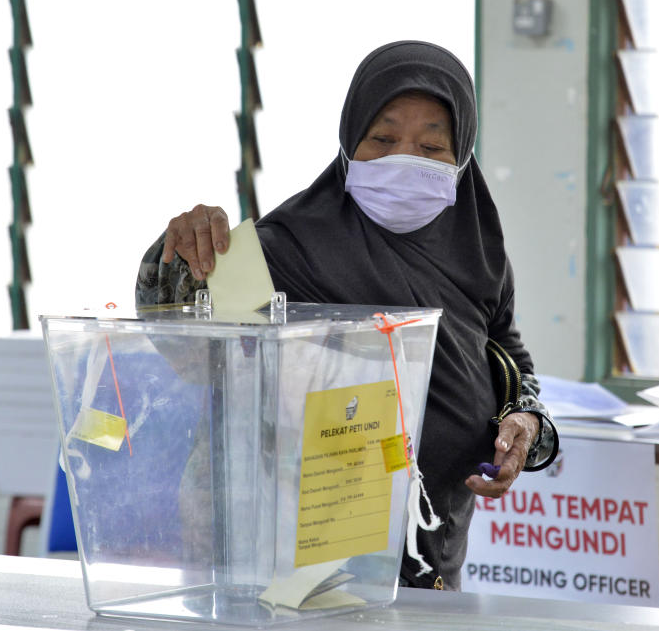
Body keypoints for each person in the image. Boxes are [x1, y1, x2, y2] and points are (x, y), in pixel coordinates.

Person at [136, 40, 557, 591]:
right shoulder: (284, 249)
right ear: (348, 141)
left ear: (463, 156)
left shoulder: (479, 253)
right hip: (281, 572)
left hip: (425, 562)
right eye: (381, 139)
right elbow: (176, 326)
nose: (404, 159)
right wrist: (177, 247)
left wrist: (526, 424)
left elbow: (509, 359)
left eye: (432, 146)